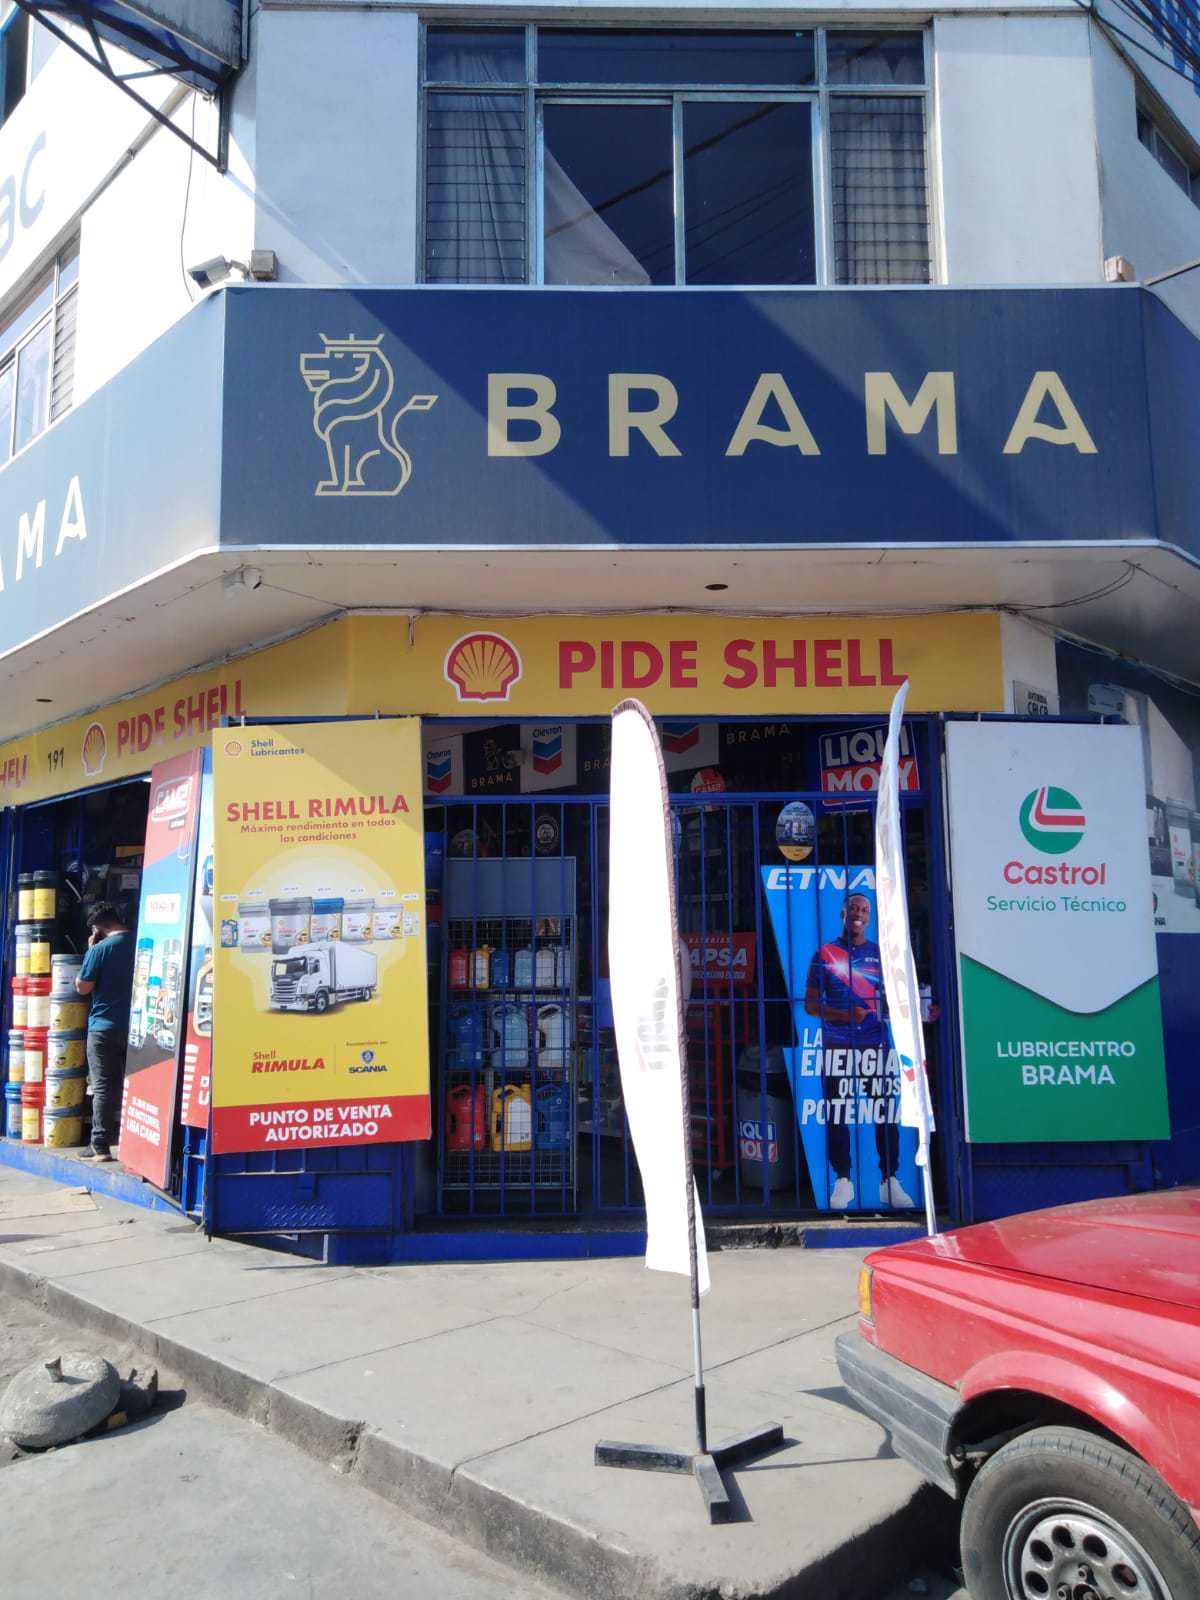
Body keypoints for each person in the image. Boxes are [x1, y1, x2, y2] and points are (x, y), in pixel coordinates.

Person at [803, 892, 914, 1212]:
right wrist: (845, 1015)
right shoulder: (824, 954)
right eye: (854, 908)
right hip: (837, 1045)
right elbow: (810, 1005)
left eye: (865, 909)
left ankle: (889, 1181)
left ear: (870, 917)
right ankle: (843, 1180)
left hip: (875, 1045)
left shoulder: (880, 954)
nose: (859, 913)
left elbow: (893, 1001)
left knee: (885, 1111)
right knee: (838, 1113)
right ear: (842, 913)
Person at [75, 902, 135, 1162]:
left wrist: (91, 951)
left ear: (97, 927)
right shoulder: (140, 940)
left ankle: (100, 1145)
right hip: (135, 1027)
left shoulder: (100, 950)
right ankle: (135, 1142)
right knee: (133, 1083)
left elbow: (83, 987)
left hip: (103, 1027)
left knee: (102, 1087)